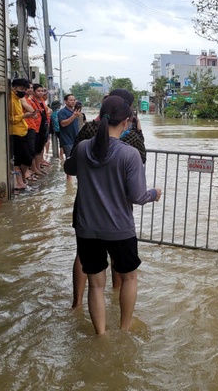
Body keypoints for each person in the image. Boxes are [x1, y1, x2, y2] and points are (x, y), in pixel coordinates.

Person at [64, 96, 161, 335]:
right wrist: (155, 193)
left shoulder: (85, 147)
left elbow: (70, 169)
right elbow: (138, 196)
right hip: (119, 229)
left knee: (96, 285)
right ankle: (125, 329)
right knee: (129, 279)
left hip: (87, 229)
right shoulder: (130, 154)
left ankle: (101, 335)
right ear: (126, 122)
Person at [70, 88, 147, 309]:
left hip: (87, 204)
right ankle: (116, 295)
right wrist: (139, 132)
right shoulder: (130, 136)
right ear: (127, 116)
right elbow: (141, 160)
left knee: (85, 260)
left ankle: (76, 303)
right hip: (116, 207)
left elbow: (72, 163)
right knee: (123, 265)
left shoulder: (89, 130)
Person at [9, 78, 37, 191]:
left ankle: (20, 182)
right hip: (16, 133)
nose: (23, 91)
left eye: (24, 89)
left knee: (20, 160)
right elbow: (10, 119)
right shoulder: (10, 100)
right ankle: (20, 180)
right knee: (26, 159)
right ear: (14, 87)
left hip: (22, 131)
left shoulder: (18, 99)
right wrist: (24, 116)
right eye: (21, 89)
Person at [58, 94, 81, 181]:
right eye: (71, 100)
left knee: (78, 159)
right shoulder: (62, 112)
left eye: (74, 100)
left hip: (76, 139)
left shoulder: (75, 111)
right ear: (65, 101)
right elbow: (63, 124)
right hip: (67, 140)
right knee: (69, 160)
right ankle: (69, 181)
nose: (73, 102)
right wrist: (74, 116)